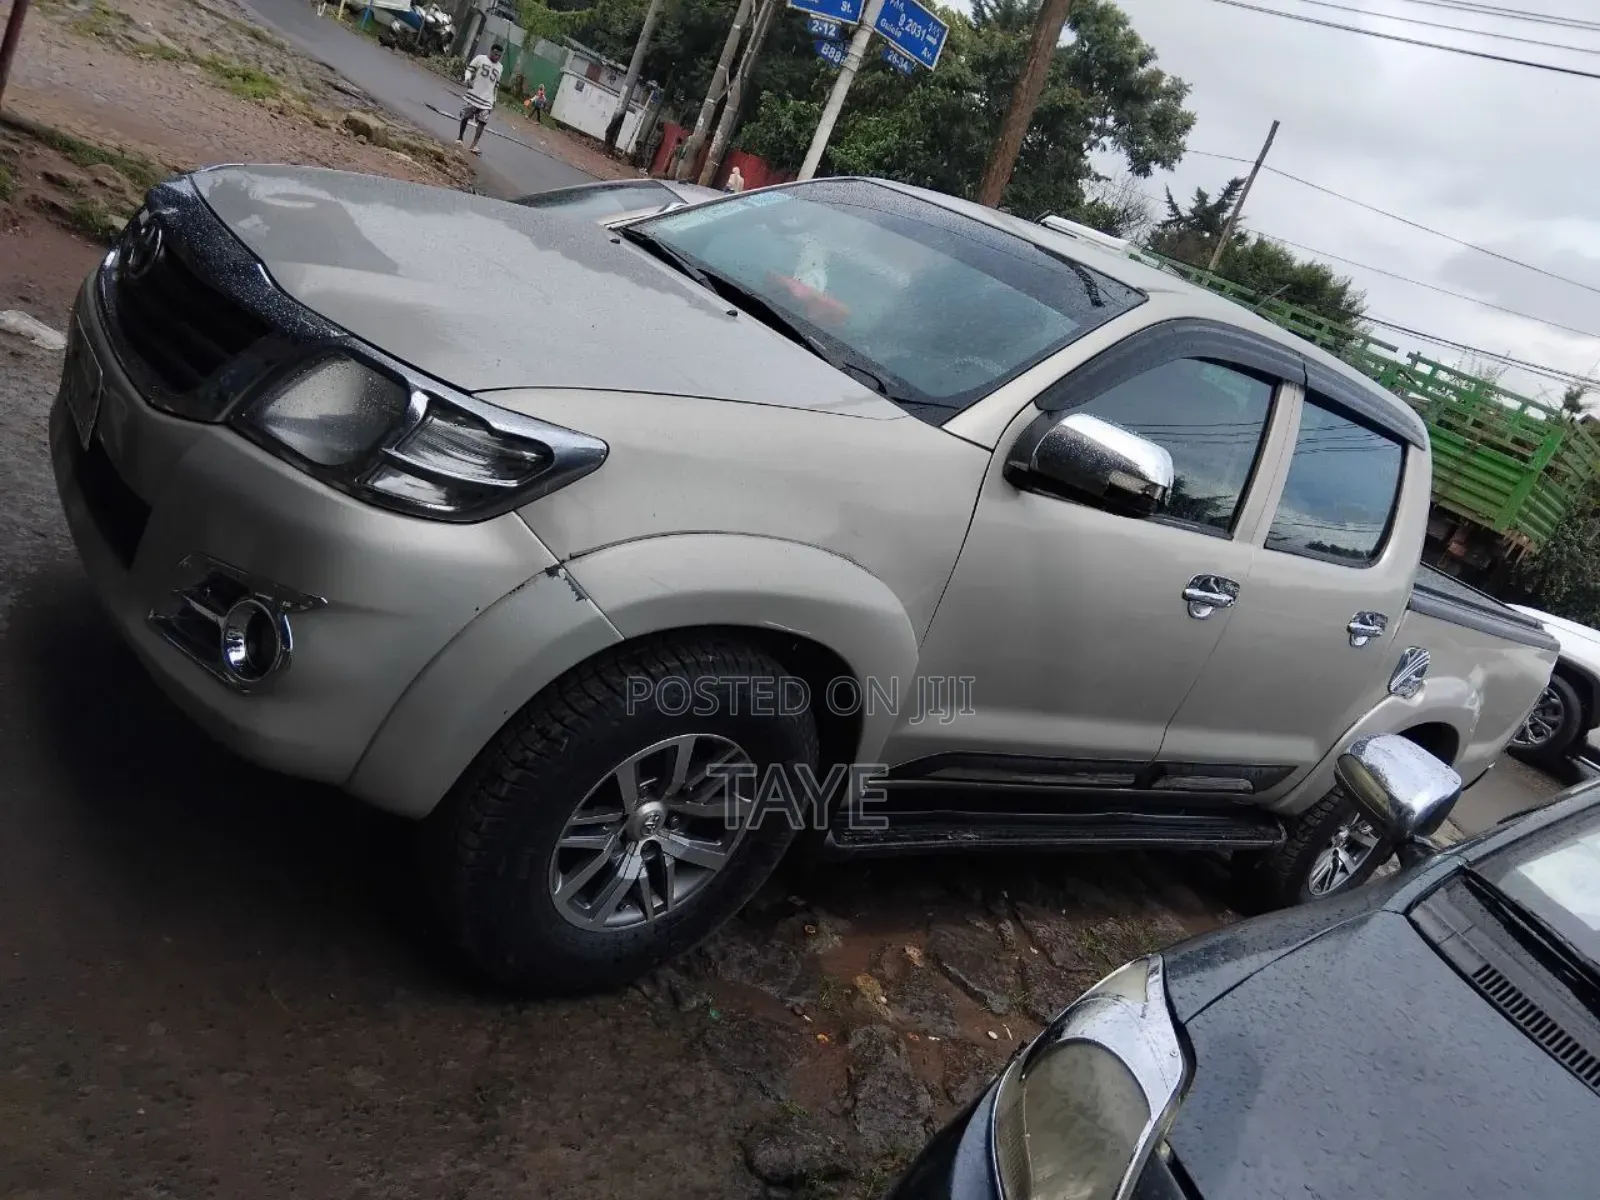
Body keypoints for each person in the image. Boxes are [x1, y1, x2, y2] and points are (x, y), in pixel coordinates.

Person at [456, 43, 504, 156]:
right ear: (491, 51)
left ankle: (474, 145)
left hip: (487, 99)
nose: (496, 57)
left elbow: (496, 85)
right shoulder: (480, 58)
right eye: (495, 54)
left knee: (482, 122)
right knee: (466, 116)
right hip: (474, 94)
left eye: (499, 55)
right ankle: (460, 137)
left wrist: (494, 100)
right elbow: (469, 70)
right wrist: (467, 79)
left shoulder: (500, 67)